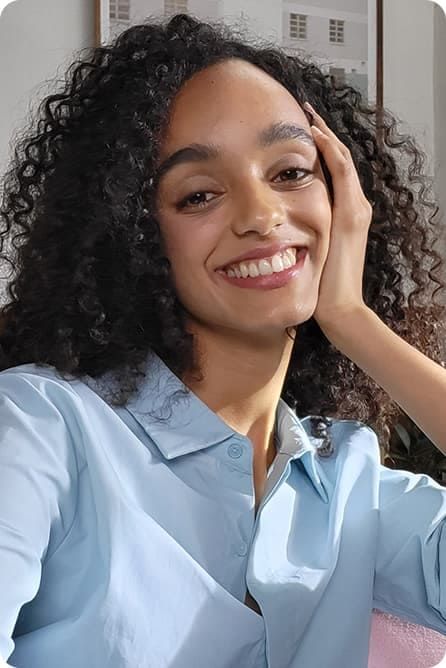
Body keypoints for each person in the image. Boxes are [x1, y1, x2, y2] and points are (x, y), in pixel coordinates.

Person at [0, 12, 445, 668]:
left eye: (292, 172)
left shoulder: (348, 484)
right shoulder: (41, 427)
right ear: (134, 235)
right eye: (199, 194)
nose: (263, 216)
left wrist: (354, 321)